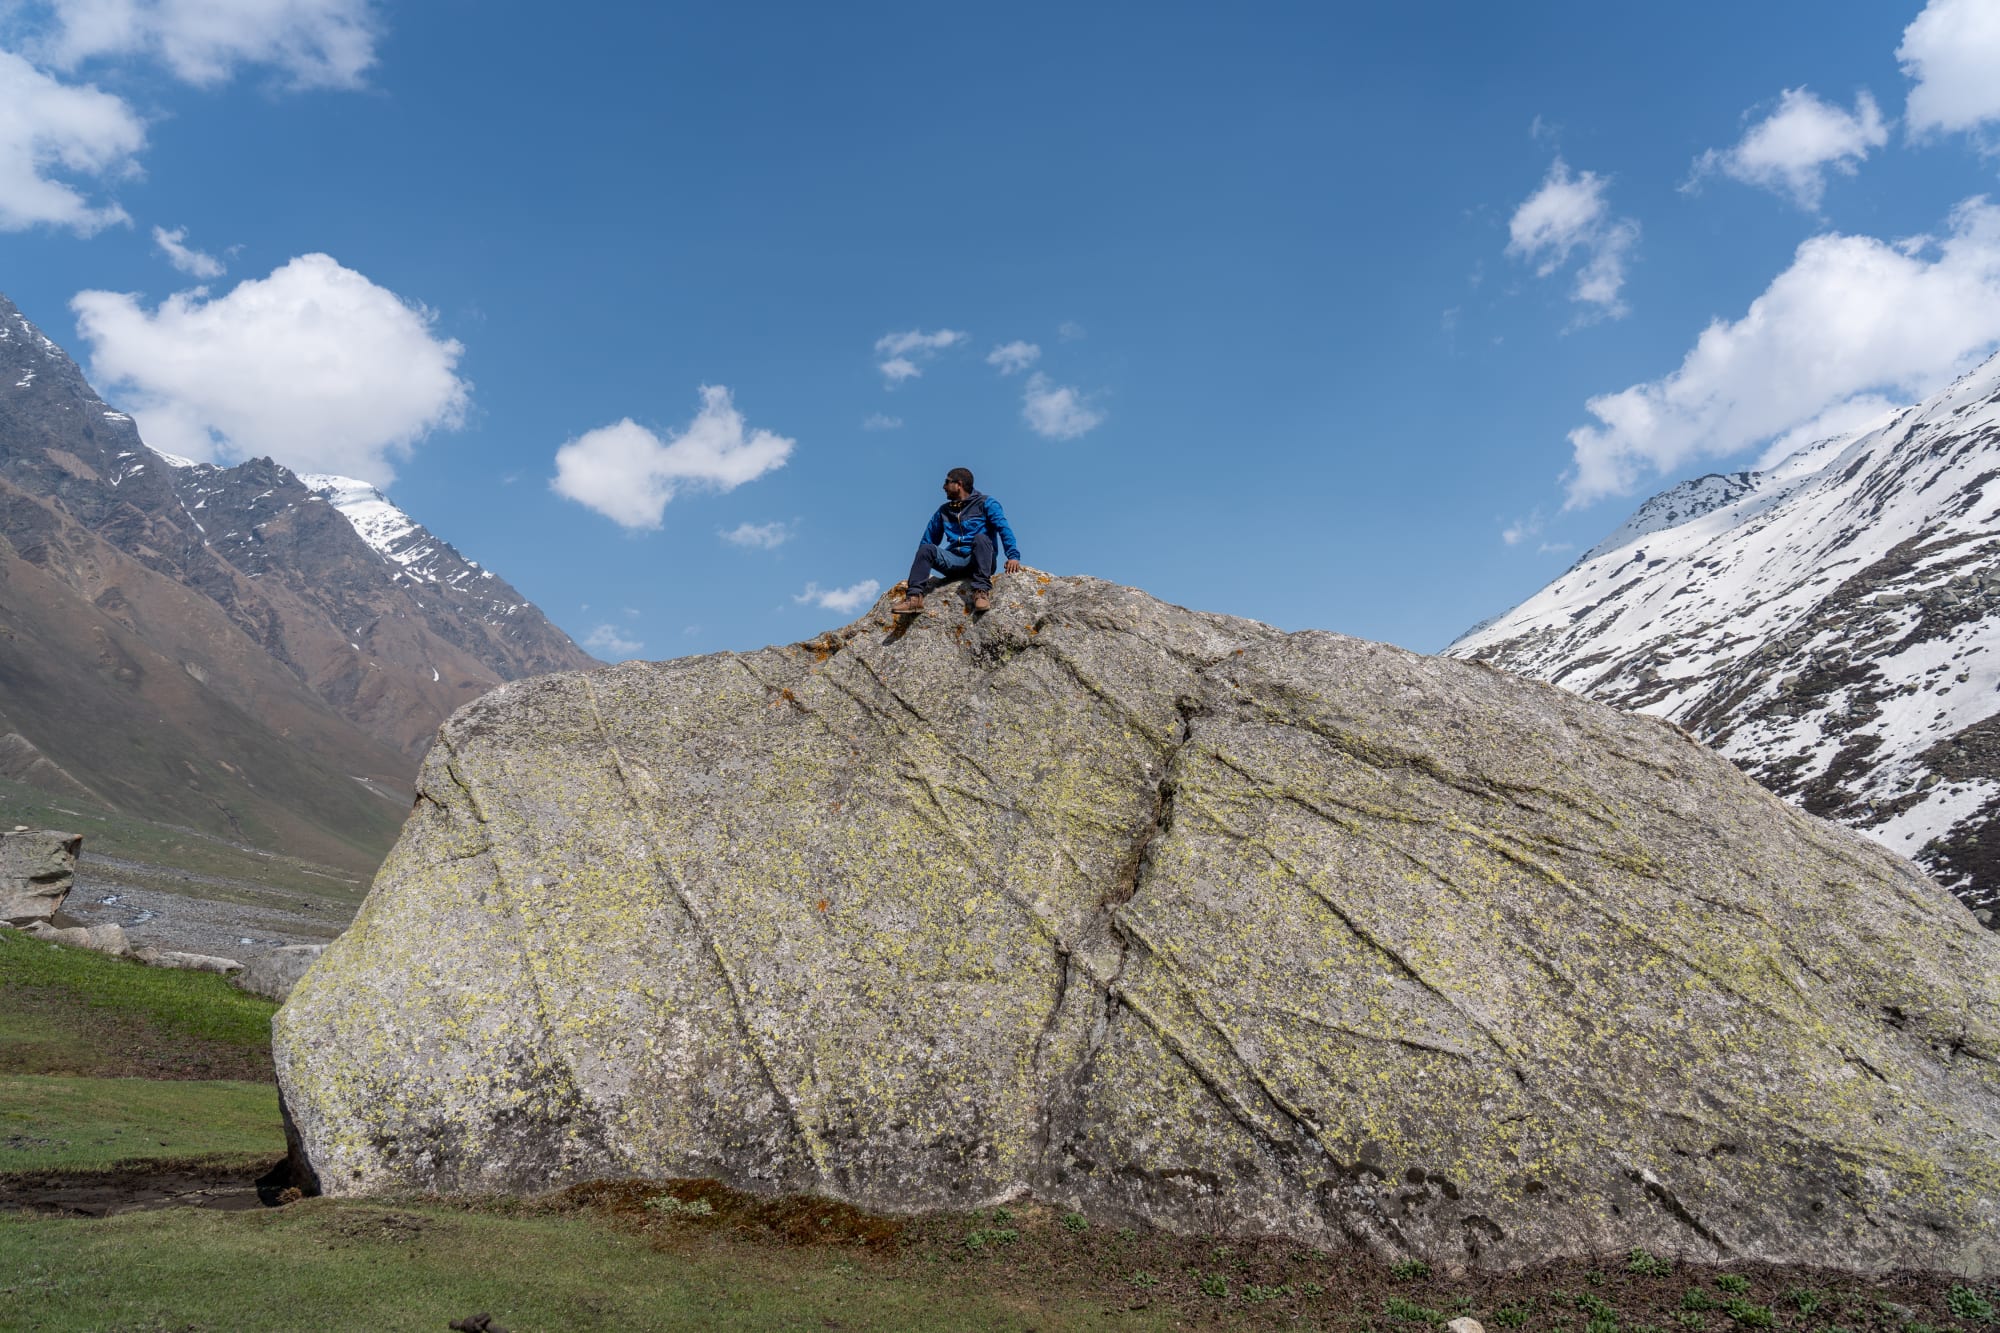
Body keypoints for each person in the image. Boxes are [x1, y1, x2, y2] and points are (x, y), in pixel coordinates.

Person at [890, 467, 1022, 614]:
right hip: (955, 561)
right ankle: (914, 599)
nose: (943, 487)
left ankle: (981, 591)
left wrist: (1013, 556)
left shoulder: (986, 503)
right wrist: (920, 570)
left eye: (947, 482)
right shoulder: (943, 511)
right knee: (927, 548)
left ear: (958, 484)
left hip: (980, 560)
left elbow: (1004, 529)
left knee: (981, 538)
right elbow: (927, 541)